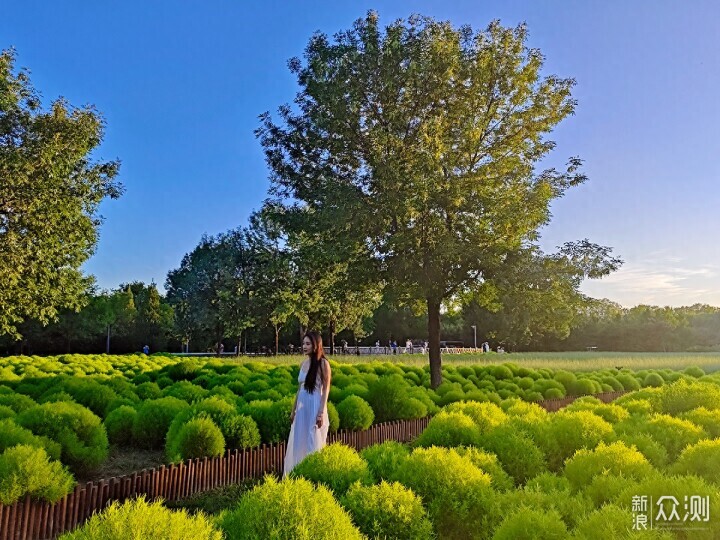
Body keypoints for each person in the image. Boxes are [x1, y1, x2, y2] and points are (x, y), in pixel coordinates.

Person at [283, 331, 332, 477]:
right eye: (303, 343)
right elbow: (299, 390)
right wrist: (293, 411)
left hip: (315, 406)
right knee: (299, 440)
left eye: (308, 344)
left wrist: (321, 413)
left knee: (313, 440)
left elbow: (326, 389)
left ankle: (313, 475)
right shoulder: (304, 363)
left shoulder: (323, 363)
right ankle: (298, 474)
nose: (304, 346)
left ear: (316, 345)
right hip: (302, 408)